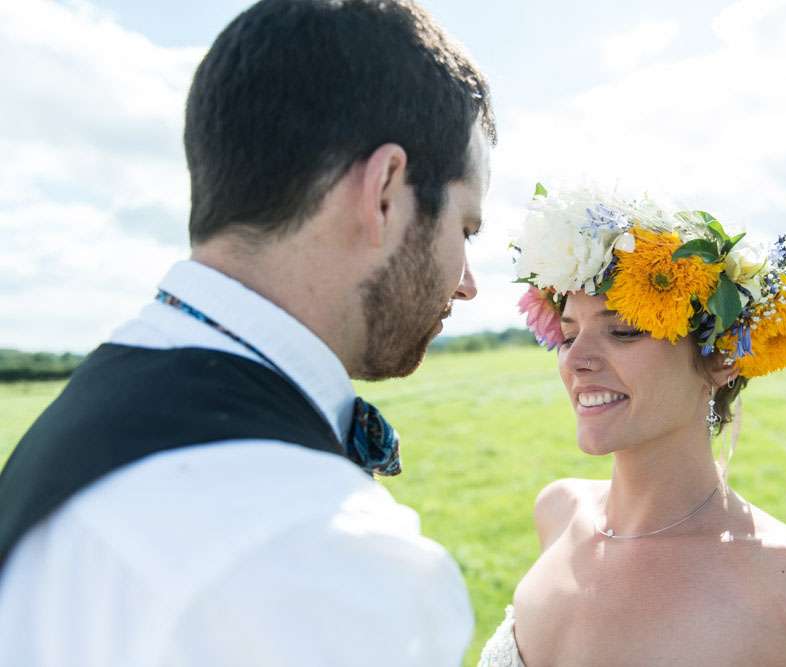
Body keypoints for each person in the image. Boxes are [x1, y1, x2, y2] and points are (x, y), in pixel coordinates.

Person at [0, 1, 494, 665]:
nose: (467, 284)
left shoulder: (90, 414)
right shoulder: (318, 558)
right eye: (465, 228)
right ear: (384, 191)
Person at [479, 187, 786, 666]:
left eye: (623, 331)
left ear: (723, 358)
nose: (575, 360)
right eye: (568, 335)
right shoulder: (557, 512)